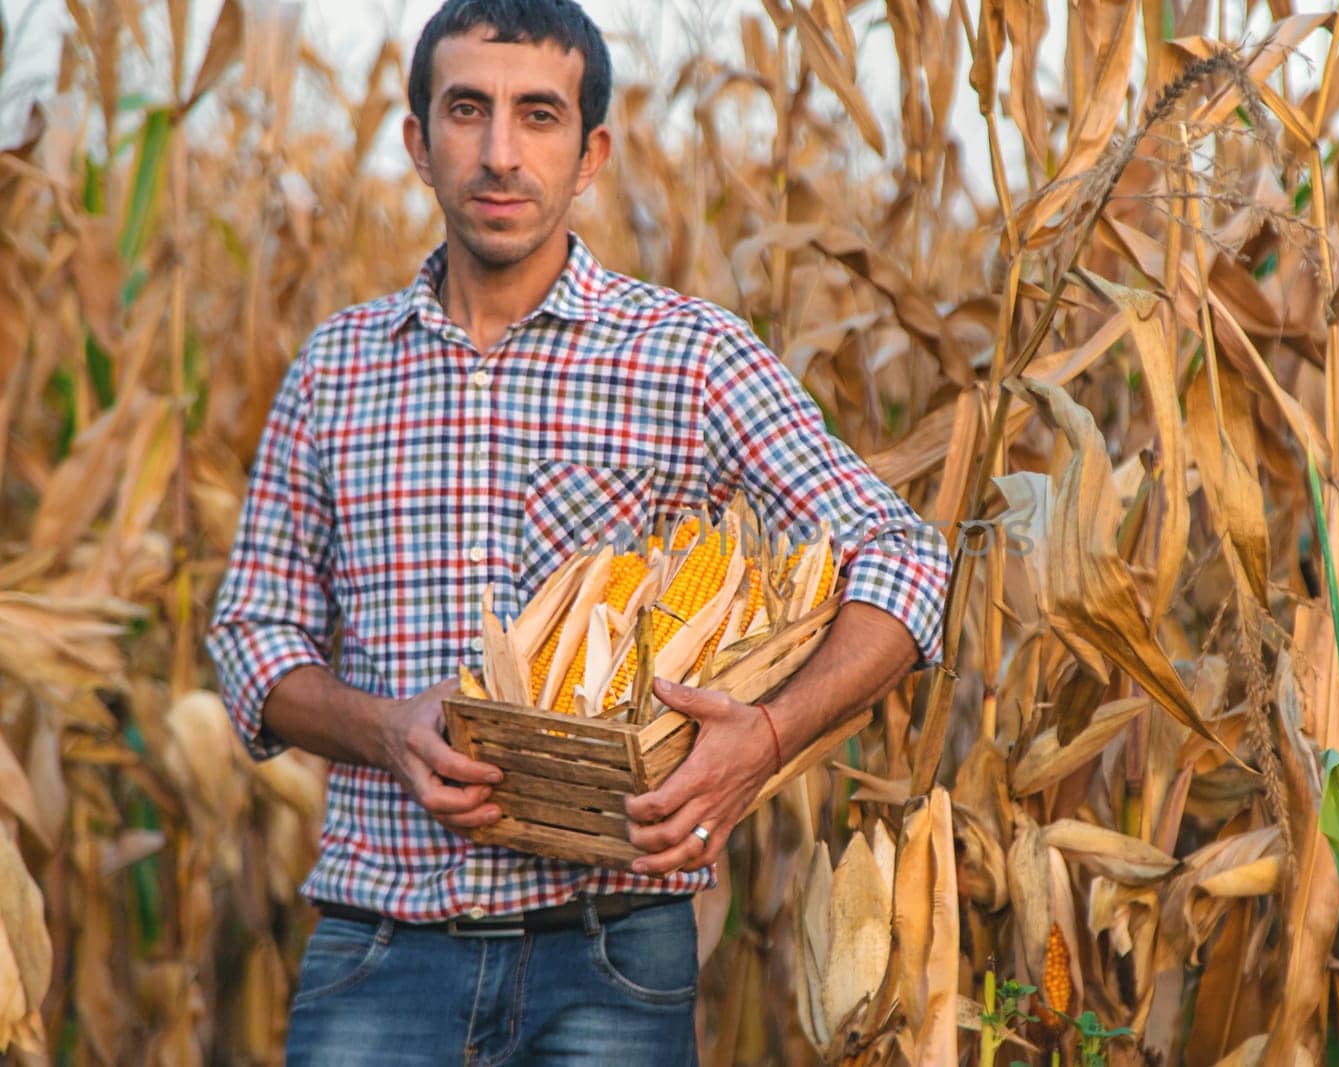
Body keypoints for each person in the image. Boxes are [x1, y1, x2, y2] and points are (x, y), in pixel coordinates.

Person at [206, 0, 950, 1062]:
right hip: (380, 948)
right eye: (467, 110)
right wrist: (385, 730)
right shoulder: (337, 368)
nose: (500, 152)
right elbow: (253, 632)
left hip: (607, 954)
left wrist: (766, 741)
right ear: (418, 141)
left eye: (538, 115)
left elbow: (906, 557)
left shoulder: (689, 360)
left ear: (591, 151)